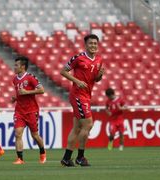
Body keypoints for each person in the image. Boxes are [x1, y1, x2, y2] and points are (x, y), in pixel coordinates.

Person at [60, 34, 104, 167]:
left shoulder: (99, 60)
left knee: (77, 127)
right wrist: (77, 81)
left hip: (87, 95)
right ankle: (80, 157)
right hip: (78, 95)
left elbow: (95, 79)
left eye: (95, 43)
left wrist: (100, 76)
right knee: (88, 124)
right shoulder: (78, 58)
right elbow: (63, 71)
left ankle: (66, 159)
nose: (93, 46)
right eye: (91, 43)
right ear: (86, 45)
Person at [12, 56, 46, 164]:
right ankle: (20, 159)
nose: (15, 67)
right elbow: (19, 93)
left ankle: (42, 152)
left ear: (23, 66)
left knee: (34, 135)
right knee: (18, 134)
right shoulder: (14, 79)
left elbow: (42, 90)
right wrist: (15, 98)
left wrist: (27, 92)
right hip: (19, 111)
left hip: (31, 111)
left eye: (16, 65)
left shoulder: (31, 77)